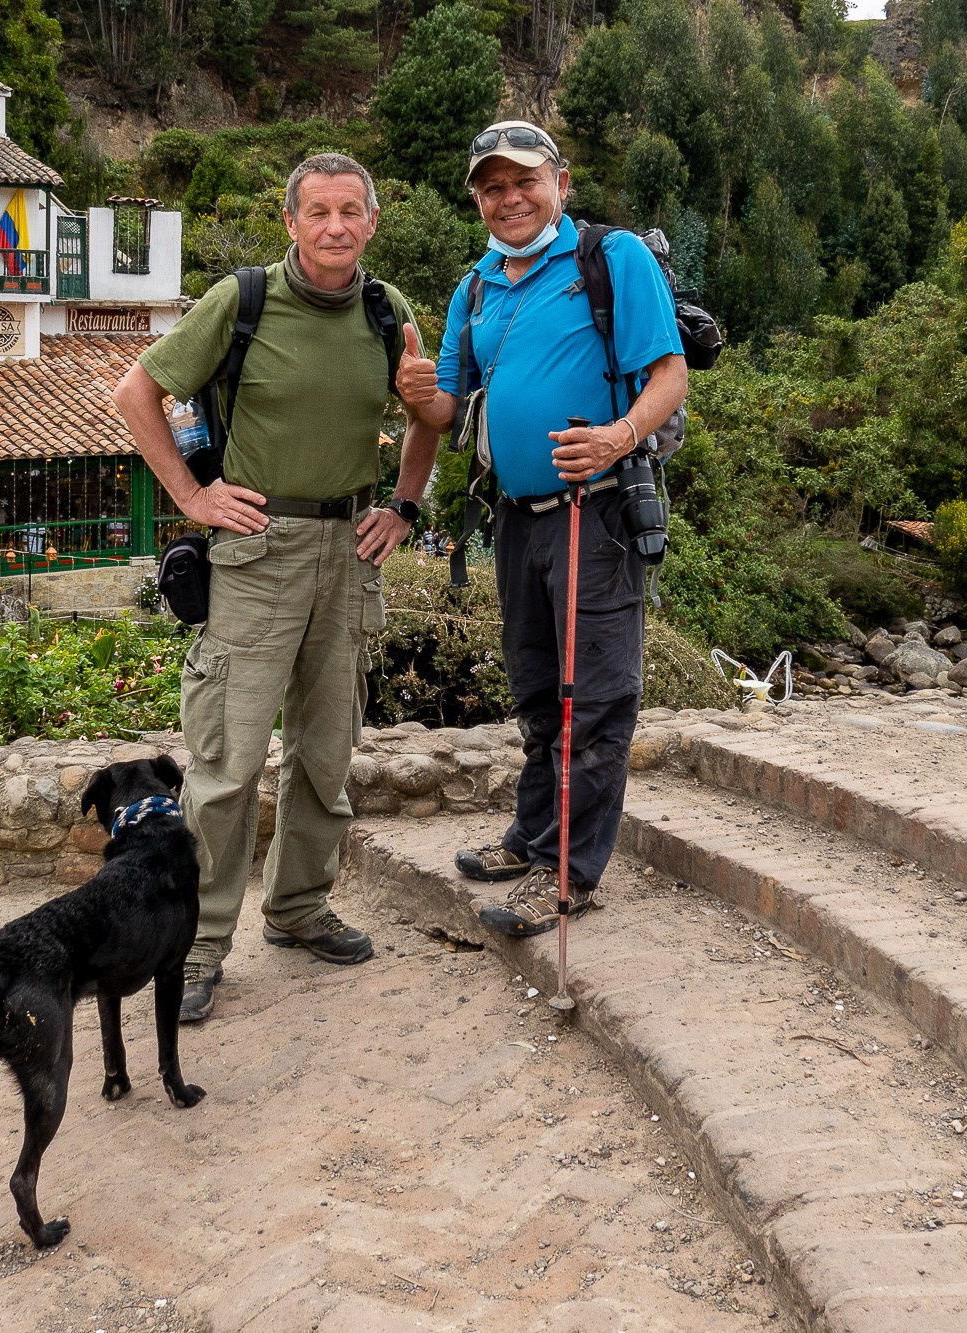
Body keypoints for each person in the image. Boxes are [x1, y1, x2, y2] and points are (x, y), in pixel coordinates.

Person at [111, 151, 440, 1023]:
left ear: (371, 222)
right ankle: (196, 944)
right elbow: (136, 390)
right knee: (225, 767)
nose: (335, 226)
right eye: (318, 212)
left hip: (352, 549)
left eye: (350, 212)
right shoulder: (243, 299)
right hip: (257, 551)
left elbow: (428, 414)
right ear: (291, 222)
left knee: (326, 755)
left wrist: (405, 505)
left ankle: (297, 908)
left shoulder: (386, 308)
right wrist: (190, 494)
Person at [399, 120, 688, 936]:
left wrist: (617, 436)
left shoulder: (612, 258)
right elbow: (448, 407)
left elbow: (670, 372)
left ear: (560, 182)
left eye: (523, 180)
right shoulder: (478, 287)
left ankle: (570, 872)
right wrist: (415, 389)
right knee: (535, 691)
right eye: (491, 187)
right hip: (517, 520)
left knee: (593, 700)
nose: (509, 197)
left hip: (595, 513)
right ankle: (532, 837)